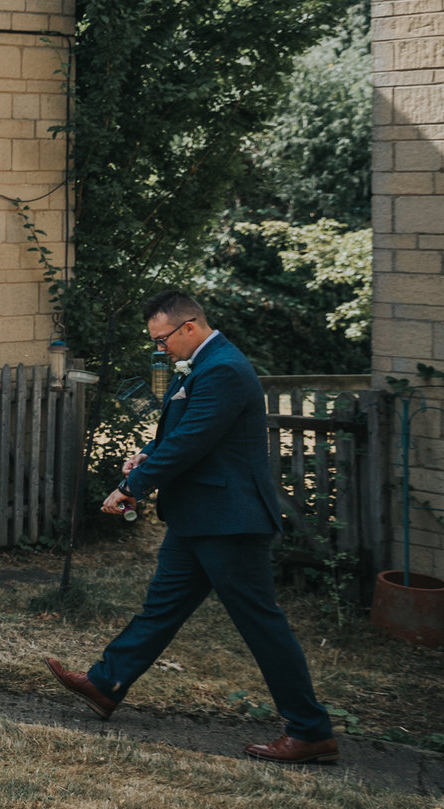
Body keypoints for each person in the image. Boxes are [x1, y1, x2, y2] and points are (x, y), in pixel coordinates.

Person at [45, 290, 337, 763]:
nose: (160, 349)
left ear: (190, 327)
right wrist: (148, 453)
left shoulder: (223, 368)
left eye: (162, 340)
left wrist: (133, 486)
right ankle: (105, 683)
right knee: (161, 607)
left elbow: (193, 442)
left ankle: (311, 730)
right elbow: (183, 435)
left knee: (262, 624)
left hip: (230, 522)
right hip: (199, 518)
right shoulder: (208, 364)